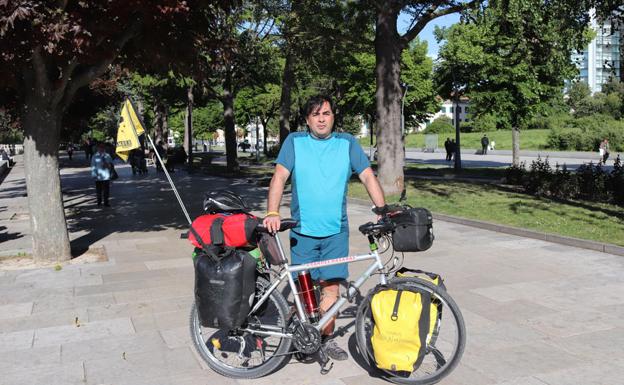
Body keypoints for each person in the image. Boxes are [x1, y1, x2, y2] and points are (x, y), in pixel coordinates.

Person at [263, 95, 386, 361]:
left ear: (333, 117)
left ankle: (326, 339)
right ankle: (305, 336)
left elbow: (367, 175)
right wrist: (273, 212)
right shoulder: (295, 142)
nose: (321, 119)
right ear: (307, 120)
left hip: (335, 232)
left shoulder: (347, 143)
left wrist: (381, 210)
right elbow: (280, 176)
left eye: (327, 113)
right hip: (302, 231)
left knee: (331, 289)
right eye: (316, 114)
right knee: (304, 292)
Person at [91, 142, 113, 207]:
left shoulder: (107, 156)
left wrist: (107, 164)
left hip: (106, 176)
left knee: (106, 190)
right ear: (98, 148)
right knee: (99, 190)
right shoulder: (94, 156)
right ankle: (99, 202)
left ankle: (106, 202)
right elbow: (93, 166)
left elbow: (111, 165)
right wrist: (94, 174)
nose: (101, 148)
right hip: (98, 176)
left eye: (103, 147)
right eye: (100, 147)